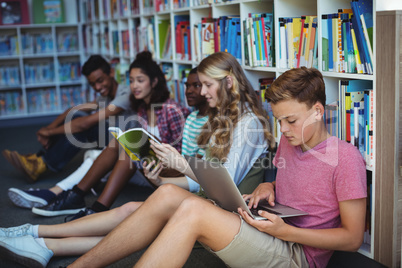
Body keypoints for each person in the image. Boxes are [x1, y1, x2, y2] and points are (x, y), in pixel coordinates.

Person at [64, 66, 365, 267]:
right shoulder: (290, 140)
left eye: (291, 120)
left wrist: (288, 232)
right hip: (272, 231)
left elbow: (351, 239)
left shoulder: (346, 158)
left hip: (298, 254)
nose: (283, 129)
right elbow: (301, 185)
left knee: (194, 210)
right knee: (169, 193)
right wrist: (269, 185)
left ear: (317, 111)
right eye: (279, 120)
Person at [0, 52, 273, 267]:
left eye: (207, 85)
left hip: (227, 214)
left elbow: (227, 182)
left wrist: (180, 164)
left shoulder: (249, 123)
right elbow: (202, 184)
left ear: (228, 83)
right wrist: (164, 176)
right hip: (208, 201)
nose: (201, 92)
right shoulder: (220, 117)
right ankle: (37, 234)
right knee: (134, 210)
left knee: (138, 220)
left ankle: (42, 239)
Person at [6, 67, 207, 210]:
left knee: (120, 146)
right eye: (131, 80)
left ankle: (79, 199)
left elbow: (181, 158)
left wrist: (48, 131)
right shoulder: (143, 109)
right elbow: (76, 112)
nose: (133, 86)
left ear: (154, 82)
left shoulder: (173, 111)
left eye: (139, 80)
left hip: (165, 171)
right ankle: (61, 192)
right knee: (106, 149)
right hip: (147, 167)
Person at [2, 55, 132, 182]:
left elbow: (85, 124)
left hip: (122, 145)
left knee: (85, 125)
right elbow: (74, 110)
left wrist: (50, 132)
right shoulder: (105, 96)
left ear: (111, 72)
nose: (97, 88)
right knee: (75, 117)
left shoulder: (125, 95)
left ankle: (41, 164)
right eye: (92, 84)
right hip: (108, 139)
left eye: (100, 80)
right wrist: (49, 128)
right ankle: (37, 159)